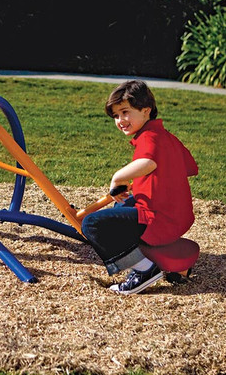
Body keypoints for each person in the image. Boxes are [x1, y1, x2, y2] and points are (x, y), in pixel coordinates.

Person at [81, 80, 198, 295]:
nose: (120, 120)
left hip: (159, 218)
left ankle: (144, 270)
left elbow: (148, 163)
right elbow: (188, 166)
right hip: (176, 216)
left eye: (125, 112)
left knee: (91, 225)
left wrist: (118, 178)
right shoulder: (167, 137)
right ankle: (175, 268)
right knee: (121, 208)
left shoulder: (149, 137)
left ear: (146, 111)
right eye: (116, 115)